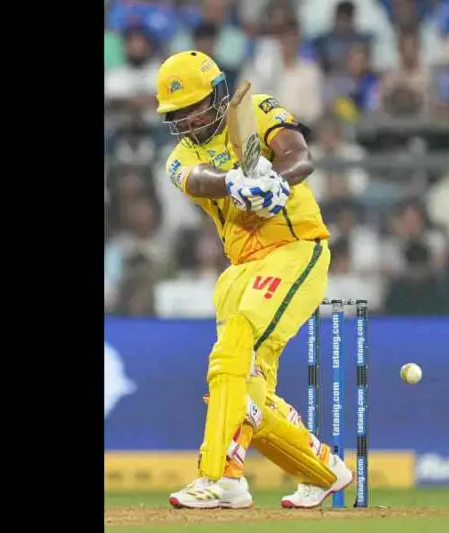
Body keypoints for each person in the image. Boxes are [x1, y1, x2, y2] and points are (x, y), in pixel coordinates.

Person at [155, 50, 353, 509]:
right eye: (178, 115)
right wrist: (235, 183)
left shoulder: (257, 108)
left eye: (195, 108)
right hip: (240, 270)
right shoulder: (179, 158)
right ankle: (324, 470)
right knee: (242, 389)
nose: (188, 121)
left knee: (234, 350)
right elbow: (197, 178)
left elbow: (299, 156)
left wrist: (277, 182)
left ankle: (217, 478)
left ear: (218, 96)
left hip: (294, 249)